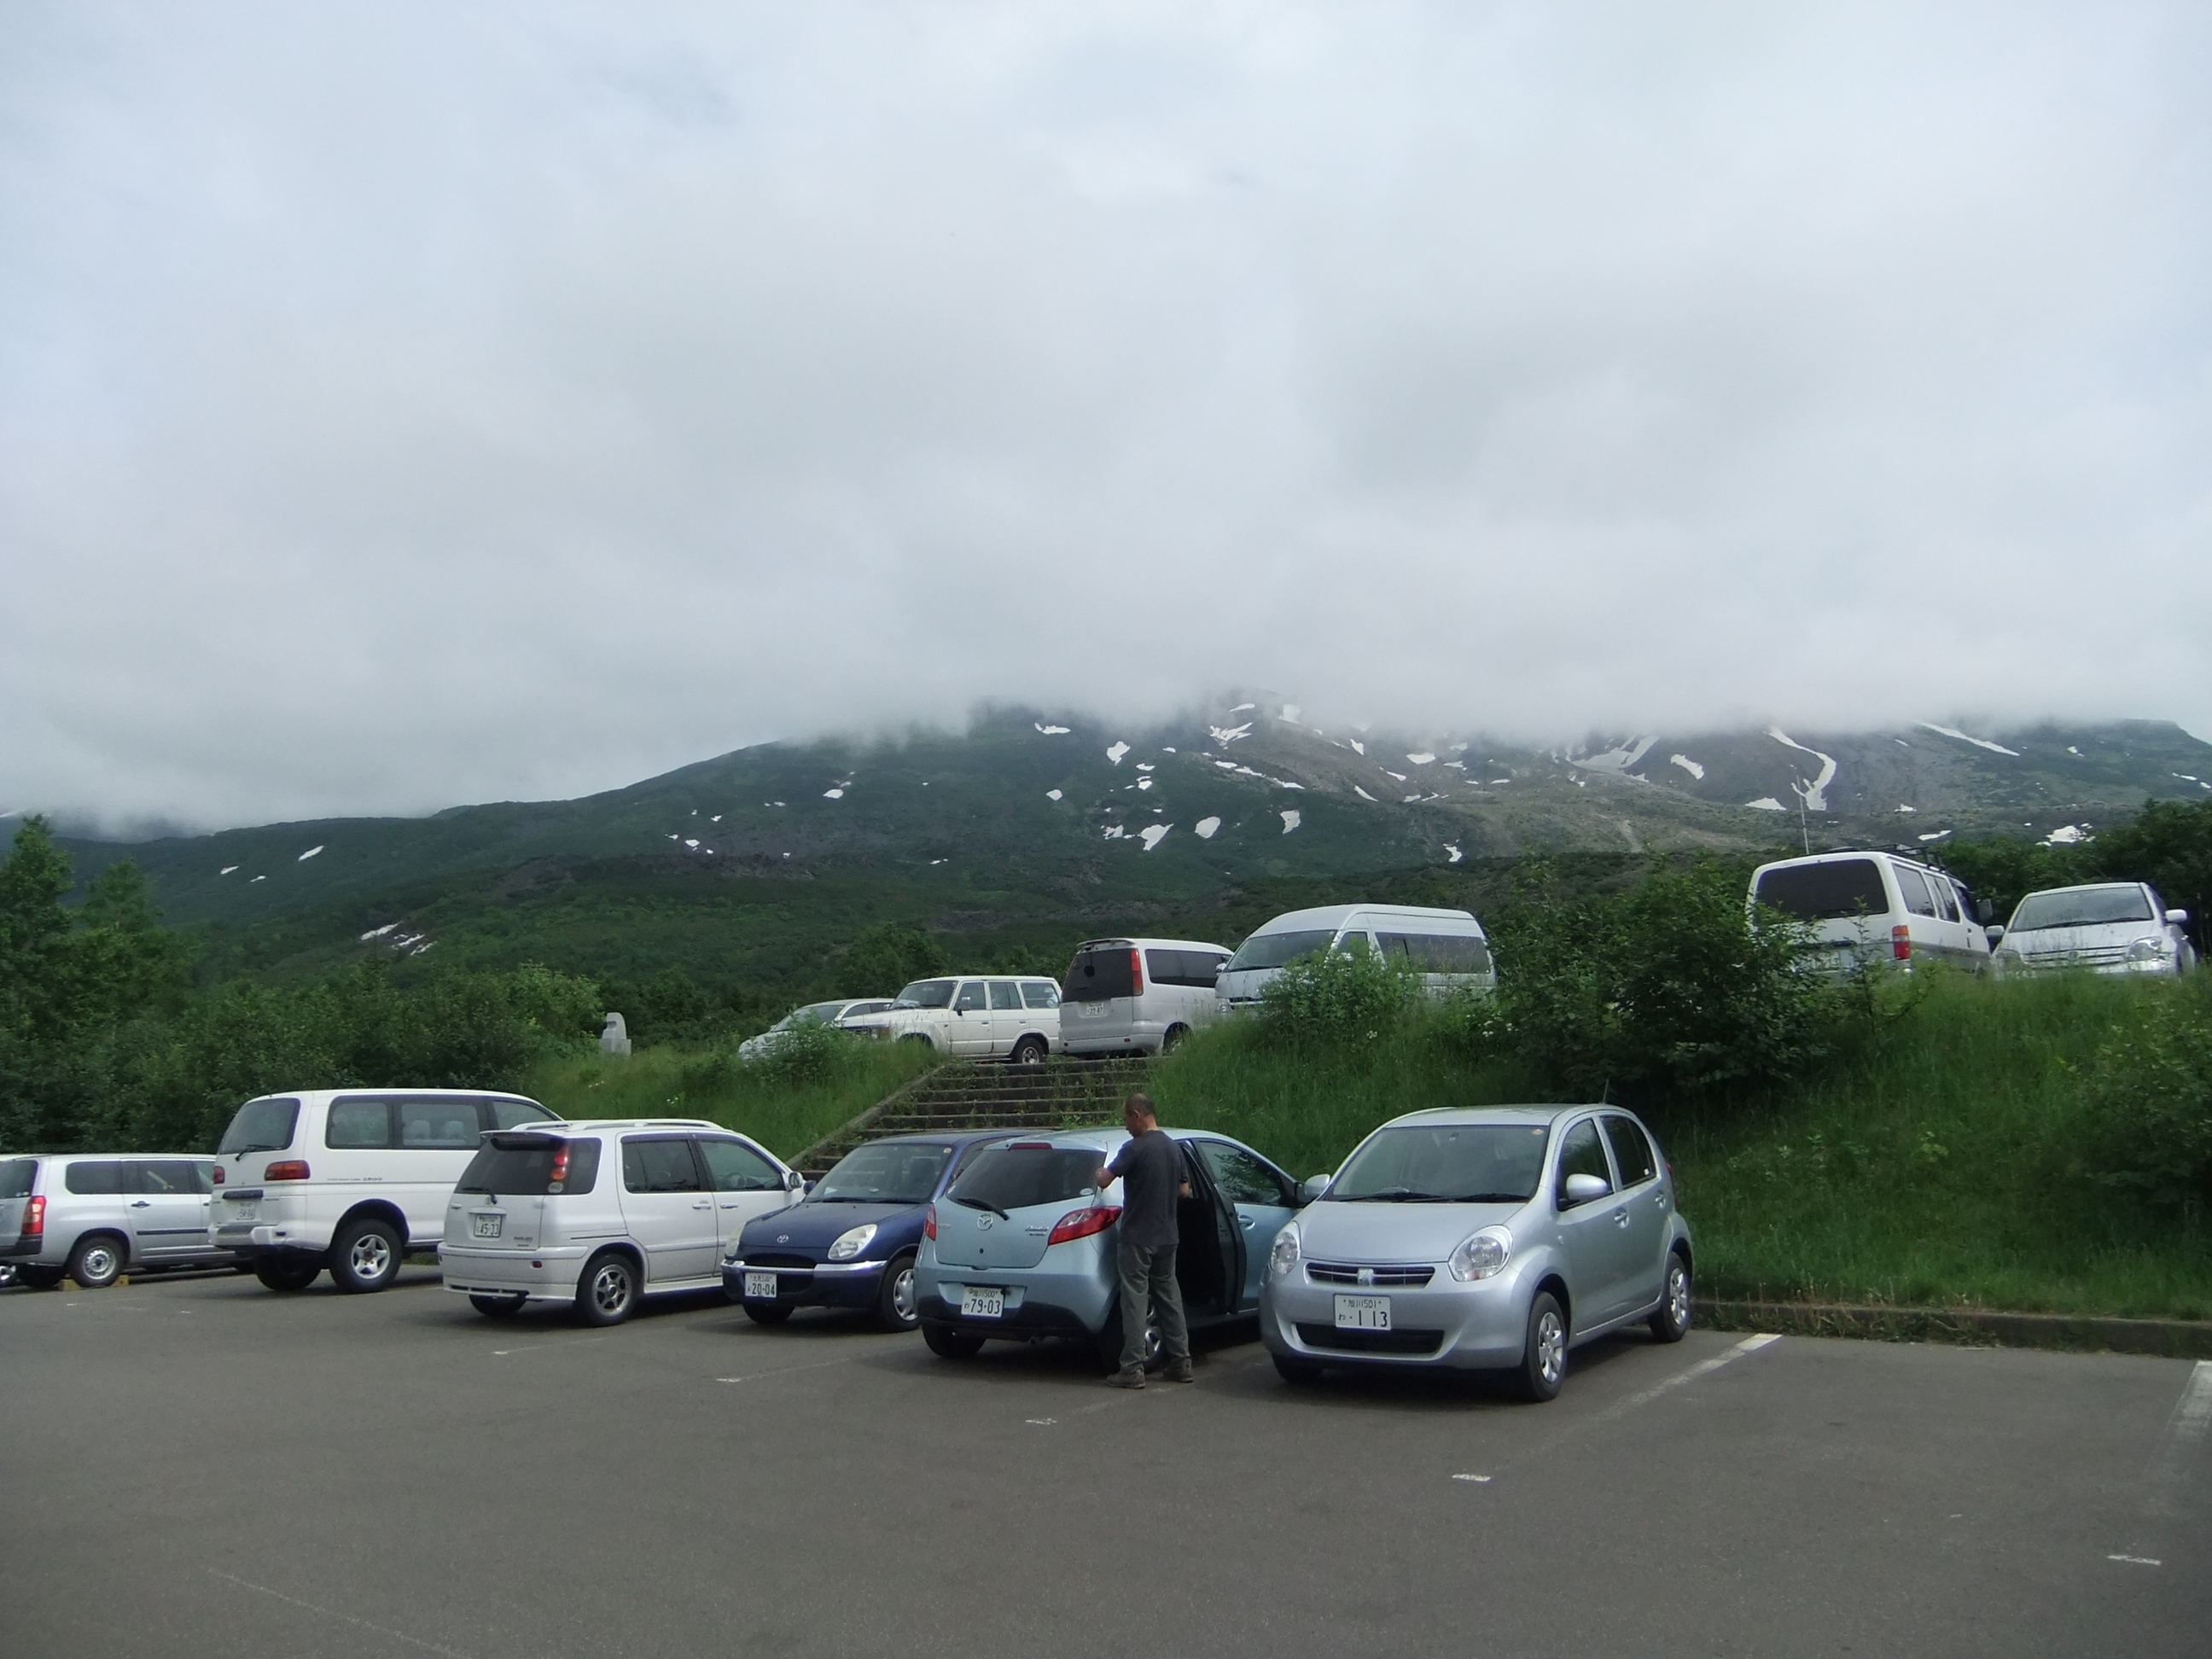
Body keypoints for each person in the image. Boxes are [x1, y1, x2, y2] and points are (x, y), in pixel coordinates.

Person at [1095, 1092, 1192, 1388]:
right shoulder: (1173, 1148)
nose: (1126, 1126)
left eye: (1126, 1119)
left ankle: (1132, 1368)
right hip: (1168, 1236)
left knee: (1135, 1300)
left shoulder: (1134, 1149)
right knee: (1169, 1298)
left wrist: (1098, 1171)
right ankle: (1181, 1363)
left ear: (1137, 1115)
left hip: (1137, 1237)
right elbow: (1185, 1190)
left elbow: (1105, 1180)